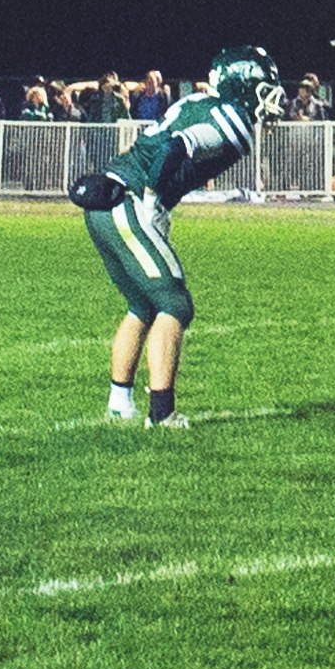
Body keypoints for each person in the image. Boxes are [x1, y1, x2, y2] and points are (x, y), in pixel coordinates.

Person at [78, 48, 274, 424]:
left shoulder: (200, 101)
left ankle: (119, 406)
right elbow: (175, 146)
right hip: (131, 201)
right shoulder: (232, 119)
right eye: (264, 89)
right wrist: (153, 199)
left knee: (143, 305)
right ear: (244, 85)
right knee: (175, 303)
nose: (270, 100)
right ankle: (162, 415)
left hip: (108, 200)